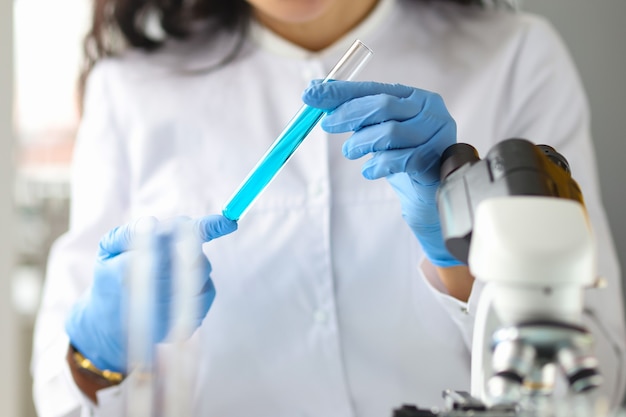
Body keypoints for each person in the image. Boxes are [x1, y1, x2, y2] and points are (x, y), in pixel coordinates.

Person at [31, 0, 626, 416]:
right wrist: (100, 351)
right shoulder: (130, 89)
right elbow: (64, 397)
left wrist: (463, 262)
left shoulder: (515, 57)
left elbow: (595, 380)